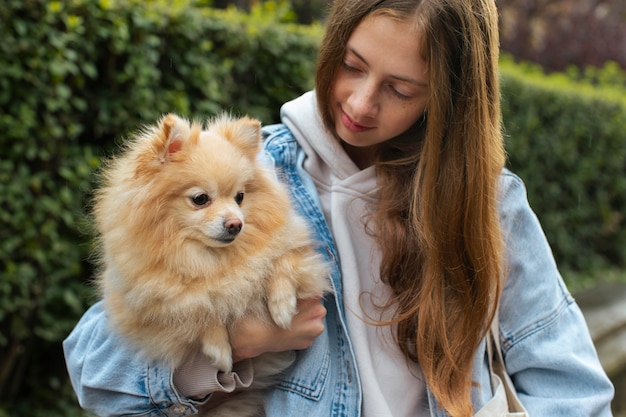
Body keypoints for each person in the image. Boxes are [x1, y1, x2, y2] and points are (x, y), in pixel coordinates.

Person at [63, 0, 615, 416]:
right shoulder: (254, 179)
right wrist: (236, 342)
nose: (359, 102)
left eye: (400, 89)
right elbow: (92, 369)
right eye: (352, 65)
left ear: (449, 100)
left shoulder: (487, 203)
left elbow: (575, 390)